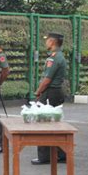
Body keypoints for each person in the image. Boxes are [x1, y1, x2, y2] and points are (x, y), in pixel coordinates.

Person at [31, 32, 68, 165]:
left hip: (50, 92)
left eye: (47, 40)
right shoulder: (59, 56)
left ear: (52, 42)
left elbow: (47, 80)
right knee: (54, 123)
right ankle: (62, 153)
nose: (46, 42)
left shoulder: (54, 58)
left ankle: (45, 156)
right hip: (55, 92)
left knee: (43, 123)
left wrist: (38, 91)